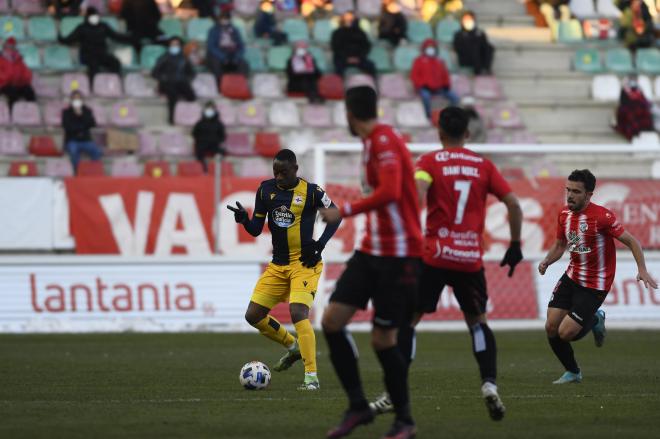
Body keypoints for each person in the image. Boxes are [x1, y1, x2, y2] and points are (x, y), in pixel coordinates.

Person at [368, 106, 522, 422]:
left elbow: (418, 192)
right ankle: (489, 385)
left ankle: (392, 394)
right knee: (478, 322)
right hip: (469, 259)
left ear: (439, 133)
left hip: (433, 255)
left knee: (408, 322)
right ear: (467, 133)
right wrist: (516, 244)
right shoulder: (484, 166)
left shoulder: (429, 162)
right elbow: (513, 203)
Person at [319, 86, 423, 439]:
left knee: (382, 340)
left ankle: (404, 420)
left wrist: (342, 211)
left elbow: (391, 193)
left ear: (349, 114)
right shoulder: (371, 143)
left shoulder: (383, 141)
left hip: (398, 255)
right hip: (370, 251)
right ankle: (358, 406)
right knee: (332, 321)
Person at [226, 149, 341, 391]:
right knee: (253, 315)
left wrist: (319, 246)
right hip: (278, 265)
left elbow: (336, 216)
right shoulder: (265, 190)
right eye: (275, 172)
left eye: (283, 172)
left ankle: (311, 377)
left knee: (298, 312)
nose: (278, 177)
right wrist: (244, 220)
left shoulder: (311, 191)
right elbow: (256, 229)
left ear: (295, 170)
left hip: (304, 264)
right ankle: (293, 346)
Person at [538, 169, 657, 384]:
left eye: (576, 191)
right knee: (551, 327)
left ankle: (594, 319)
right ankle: (573, 372)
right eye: (568, 190)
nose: (570, 195)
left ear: (589, 194)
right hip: (572, 277)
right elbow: (560, 245)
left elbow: (632, 241)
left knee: (566, 334)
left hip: (595, 284)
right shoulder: (564, 215)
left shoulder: (602, 217)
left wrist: (642, 269)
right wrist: (547, 261)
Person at [58, 7, 131, 81]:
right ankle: (94, 86)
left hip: (101, 54)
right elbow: (69, 39)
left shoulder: (103, 26)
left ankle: (115, 82)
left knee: (115, 62)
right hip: (87, 56)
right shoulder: (82, 28)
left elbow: (115, 36)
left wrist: (130, 38)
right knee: (94, 65)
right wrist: (60, 37)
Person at [151, 37, 197, 125]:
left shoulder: (184, 58)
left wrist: (186, 79)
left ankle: (187, 117)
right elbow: (154, 73)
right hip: (167, 83)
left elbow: (192, 73)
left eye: (177, 45)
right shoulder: (163, 57)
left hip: (181, 82)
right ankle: (171, 118)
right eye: (172, 45)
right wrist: (164, 78)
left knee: (192, 97)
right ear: (169, 46)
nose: (174, 47)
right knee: (172, 94)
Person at [410, 38, 459, 120]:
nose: (430, 49)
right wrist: (421, 85)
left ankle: (451, 115)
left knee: (455, 98)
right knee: (425, 96)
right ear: (424, 48)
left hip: (440, 88)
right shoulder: (419, 61)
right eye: (428, 47)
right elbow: (414, 76)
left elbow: (445, 75)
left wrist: (446, 85)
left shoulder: (440, 61)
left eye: (432, 47)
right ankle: (428, 116)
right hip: (425, 88)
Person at [61, 90, 102, 174]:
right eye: (74, 99)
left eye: (78, 99)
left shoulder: (87, 111)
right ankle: (78, 172)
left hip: (85, 140)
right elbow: (67, 126)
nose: (77, 101)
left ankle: (94, 171)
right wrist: (81, 127)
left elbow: (92, 124)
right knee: (73, 151)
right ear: (71, 100)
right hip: (72, 140)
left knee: (96, 151)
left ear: (82, 100)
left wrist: (81, 115)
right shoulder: (66, 112)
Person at [206, 10, 249, 82]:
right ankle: (221, 85)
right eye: (223, 18)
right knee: (216, 64)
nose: (225, 20)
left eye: (226, 18)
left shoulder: (235, 30)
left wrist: (236, 57)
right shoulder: (214, 30)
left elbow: (241, 46)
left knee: (243, 64)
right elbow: (211, 47)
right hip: (218, 54)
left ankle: (239, 84)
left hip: (232, 54)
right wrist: (223, 57)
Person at [331, 11, 376, 77]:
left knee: (371, 67)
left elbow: (366, 46)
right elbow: (336, 48)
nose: (349, 20)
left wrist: (358, 58)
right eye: (347, 18)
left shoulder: (360, 32)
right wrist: (347, 58)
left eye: (351, 18)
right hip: (342, 59)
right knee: (338, 71)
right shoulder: (337, 33)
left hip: (359, 58)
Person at [453, 11, 494, 75]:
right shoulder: (458, 34)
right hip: (465, 58)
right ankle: (478, 71)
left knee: (489, 47)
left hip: (479, 57)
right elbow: (457, 48)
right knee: (474, 47)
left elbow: (485, 45)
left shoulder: (479, 32)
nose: (468, 21)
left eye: (470, 19)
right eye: (466, 19)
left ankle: (486, 68)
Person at [0, 37, 36, 109]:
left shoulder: (18, 59)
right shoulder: (1, 59)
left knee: (29, 91)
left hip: (17, 84)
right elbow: (3, 76)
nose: (10, 48)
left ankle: (32, 111)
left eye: (12, 46)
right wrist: (9, 78)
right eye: (8, 46)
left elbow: (26, 74)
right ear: (4, 47)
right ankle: (12, 113)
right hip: (4, 84)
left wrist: (23, 80)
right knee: (13, 93)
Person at [192, 101, 226, 173]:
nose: (209, 111)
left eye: (211, 108)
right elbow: (194, 134)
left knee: (221, 153)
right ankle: (204, 168)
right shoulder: (200, 123)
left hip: (214, 144)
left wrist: (216, 140)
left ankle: (216, 170)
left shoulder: (219, 123)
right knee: (198, 152)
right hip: (202, 144)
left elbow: (222, 136)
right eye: (208, 108)